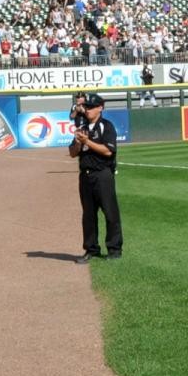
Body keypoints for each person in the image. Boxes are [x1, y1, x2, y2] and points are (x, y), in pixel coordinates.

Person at [69, 93, 122, 263]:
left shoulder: (106, 126)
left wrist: (87, 142)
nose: (88, 110)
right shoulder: (82, 127)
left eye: (91, 107)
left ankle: (114, 249)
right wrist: (78, 142)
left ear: (100, 107)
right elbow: (72, 153)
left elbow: (108, 150)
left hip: (103, 174)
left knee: (110, 212)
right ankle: (91, 249)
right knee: (88, 215)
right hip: (85, 176)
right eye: (86, 107)